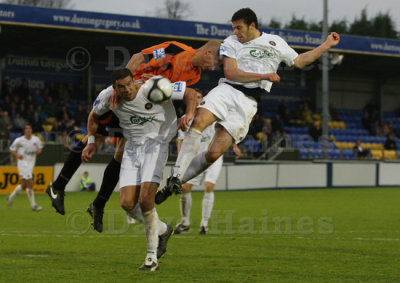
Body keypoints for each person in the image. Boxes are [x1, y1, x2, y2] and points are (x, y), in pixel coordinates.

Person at [155, 7, 340, 203]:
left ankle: (172, 185)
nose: (236, 32)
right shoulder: (231, 42)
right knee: (199, 121)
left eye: (239, 28)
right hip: (227, 90)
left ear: (252, 25)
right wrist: (265, 75)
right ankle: (176, 174)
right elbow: (231, 73)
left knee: (213, 153)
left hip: (248, 103)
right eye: (234, 28)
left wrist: (326, 44)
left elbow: (301, 61)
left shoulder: (275, 42)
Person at [46, 40, 221, 223]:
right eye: (215, 63)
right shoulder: (176, 50)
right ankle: (58, 186)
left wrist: (183, 110)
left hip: (142, 106)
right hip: (127, 95)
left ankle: (98, 204)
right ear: (208, 52)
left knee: (121, 154)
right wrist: (123, 85)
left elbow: (172, 91)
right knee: (94, 137)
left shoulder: (195, 75)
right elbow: (140, 57)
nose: (213, 67)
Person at [82, 69, 196, 271]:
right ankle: (162, 229)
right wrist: (91, 142)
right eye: (121, 87)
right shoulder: (108, 97)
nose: (126, 90)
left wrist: (189, 114)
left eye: (129, 84)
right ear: (114, 87)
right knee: (127, 203)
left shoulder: (153, 86)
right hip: (132, 149)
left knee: (145, 200)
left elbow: (190, 93)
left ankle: (151, 258)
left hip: (156, 145)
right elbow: (93, 116)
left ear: (134, 80)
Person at [174, 90, 241, 235]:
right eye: (194, 97)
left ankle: (204, 224)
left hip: (213, 157)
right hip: (195, 158)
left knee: (209, 186)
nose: (197, 99)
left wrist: (234, 145)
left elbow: (226, 130)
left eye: (199, 97)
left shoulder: (213, 113)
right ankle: (185, 222)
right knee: (185, 189)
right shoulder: (186, 118)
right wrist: (181, 161)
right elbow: (181, 141)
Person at [7, 123, 43, 211]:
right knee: (30, 182)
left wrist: (38, 151)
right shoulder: (19, 140)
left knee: (23, 185)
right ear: (24, 130)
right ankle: (33, 205)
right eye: (27, 128)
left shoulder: (36, 139)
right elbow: (11, 149)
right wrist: (17, 155)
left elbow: (40, 148)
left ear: (32, 130)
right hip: (22, 163)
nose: (28, 130)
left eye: (30, 128)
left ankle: (11, 196)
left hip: (31, 164)